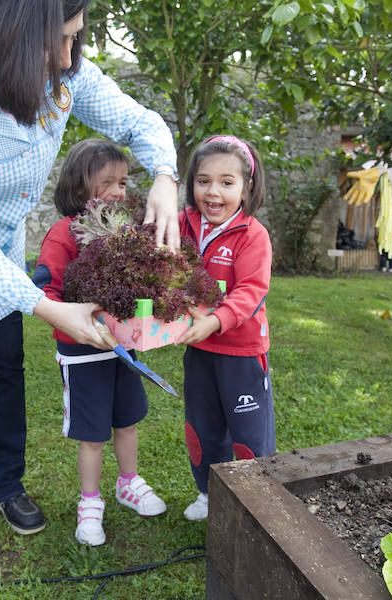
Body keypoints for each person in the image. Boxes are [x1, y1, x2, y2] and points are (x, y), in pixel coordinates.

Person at [0, 0, 179, 563]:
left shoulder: (63, 67)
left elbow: (137, 121)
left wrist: (163, 174)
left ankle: (3, 481)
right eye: (60, 42)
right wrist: (49, 307)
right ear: (8, 40)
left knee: (5, 359)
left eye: (77, 38)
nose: (70, 58)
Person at [33, 139, 166, 546]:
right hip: (81, 353)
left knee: (127, 421)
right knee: (93, 435)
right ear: (78, 186)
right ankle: (90, 501)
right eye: (108, 181)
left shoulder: (125, 232)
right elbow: (45, 291)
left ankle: (128, 483)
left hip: (122, 349)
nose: (119, 191)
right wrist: (72, 316)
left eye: (123, 183)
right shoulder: (62, 234)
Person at [176, 136, 276, 521]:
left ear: (247, 186)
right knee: (201, 429)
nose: (213, 192)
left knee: (249, 436)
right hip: (199, 352)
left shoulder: (253, 236)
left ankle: (258, 502)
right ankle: (207, 493)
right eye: (203, 181)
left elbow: (251, 291)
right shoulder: (182, 225)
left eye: (226, 182)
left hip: (242, 356)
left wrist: (215, 321)